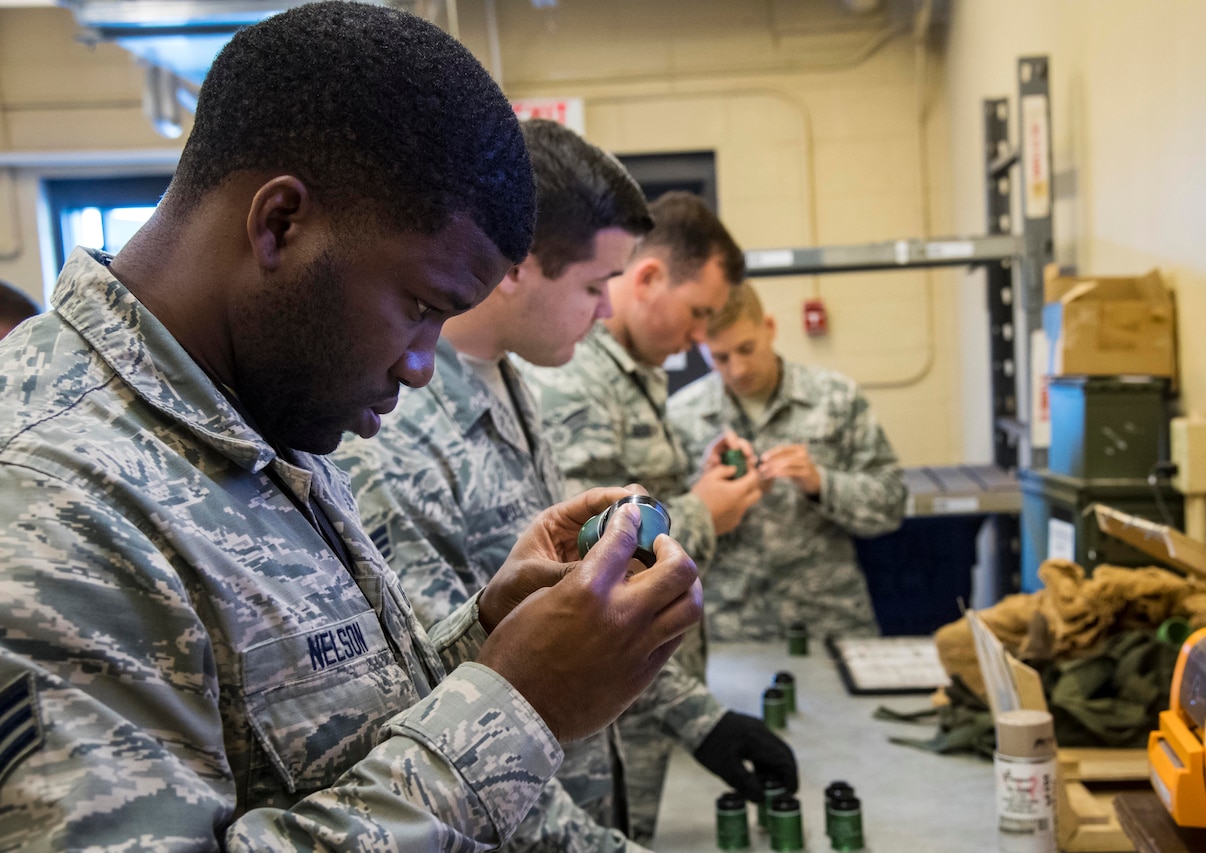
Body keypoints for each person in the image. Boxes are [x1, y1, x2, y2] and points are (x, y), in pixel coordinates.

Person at [0, 5, 702, 850]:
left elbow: (316, 742)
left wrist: (487, 638)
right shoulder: (39, 497)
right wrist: (518, 706)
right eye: (418, 306)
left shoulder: (260, 404)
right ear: (281, 224)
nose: (420, 365)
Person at [335, 118, 795, 851]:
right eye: (595, 283)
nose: (609, 309)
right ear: (513, 264)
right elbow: (449, 716)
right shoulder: (399, 438)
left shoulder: (515, 384)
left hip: (581, 786)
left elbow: (584, 613)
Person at [521, 190, 769, 843]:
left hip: (643, 699)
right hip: (606, 712)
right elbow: (592, 556)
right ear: (651, 278)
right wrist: (703, 512)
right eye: (697, 314)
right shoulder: (575, 378)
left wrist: (699, 482)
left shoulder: (637, 373)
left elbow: (637, 497)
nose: (699, 337)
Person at [668, 281, 907, 640]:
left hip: (831, 619)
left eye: (746, 348)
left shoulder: (835, 398)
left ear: (770, 327)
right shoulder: (681, 415)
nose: (738, 369)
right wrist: (702, 494)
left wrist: (821, 484)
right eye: (720, 357)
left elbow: (892, 503)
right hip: (730, 630)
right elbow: (656, 535)